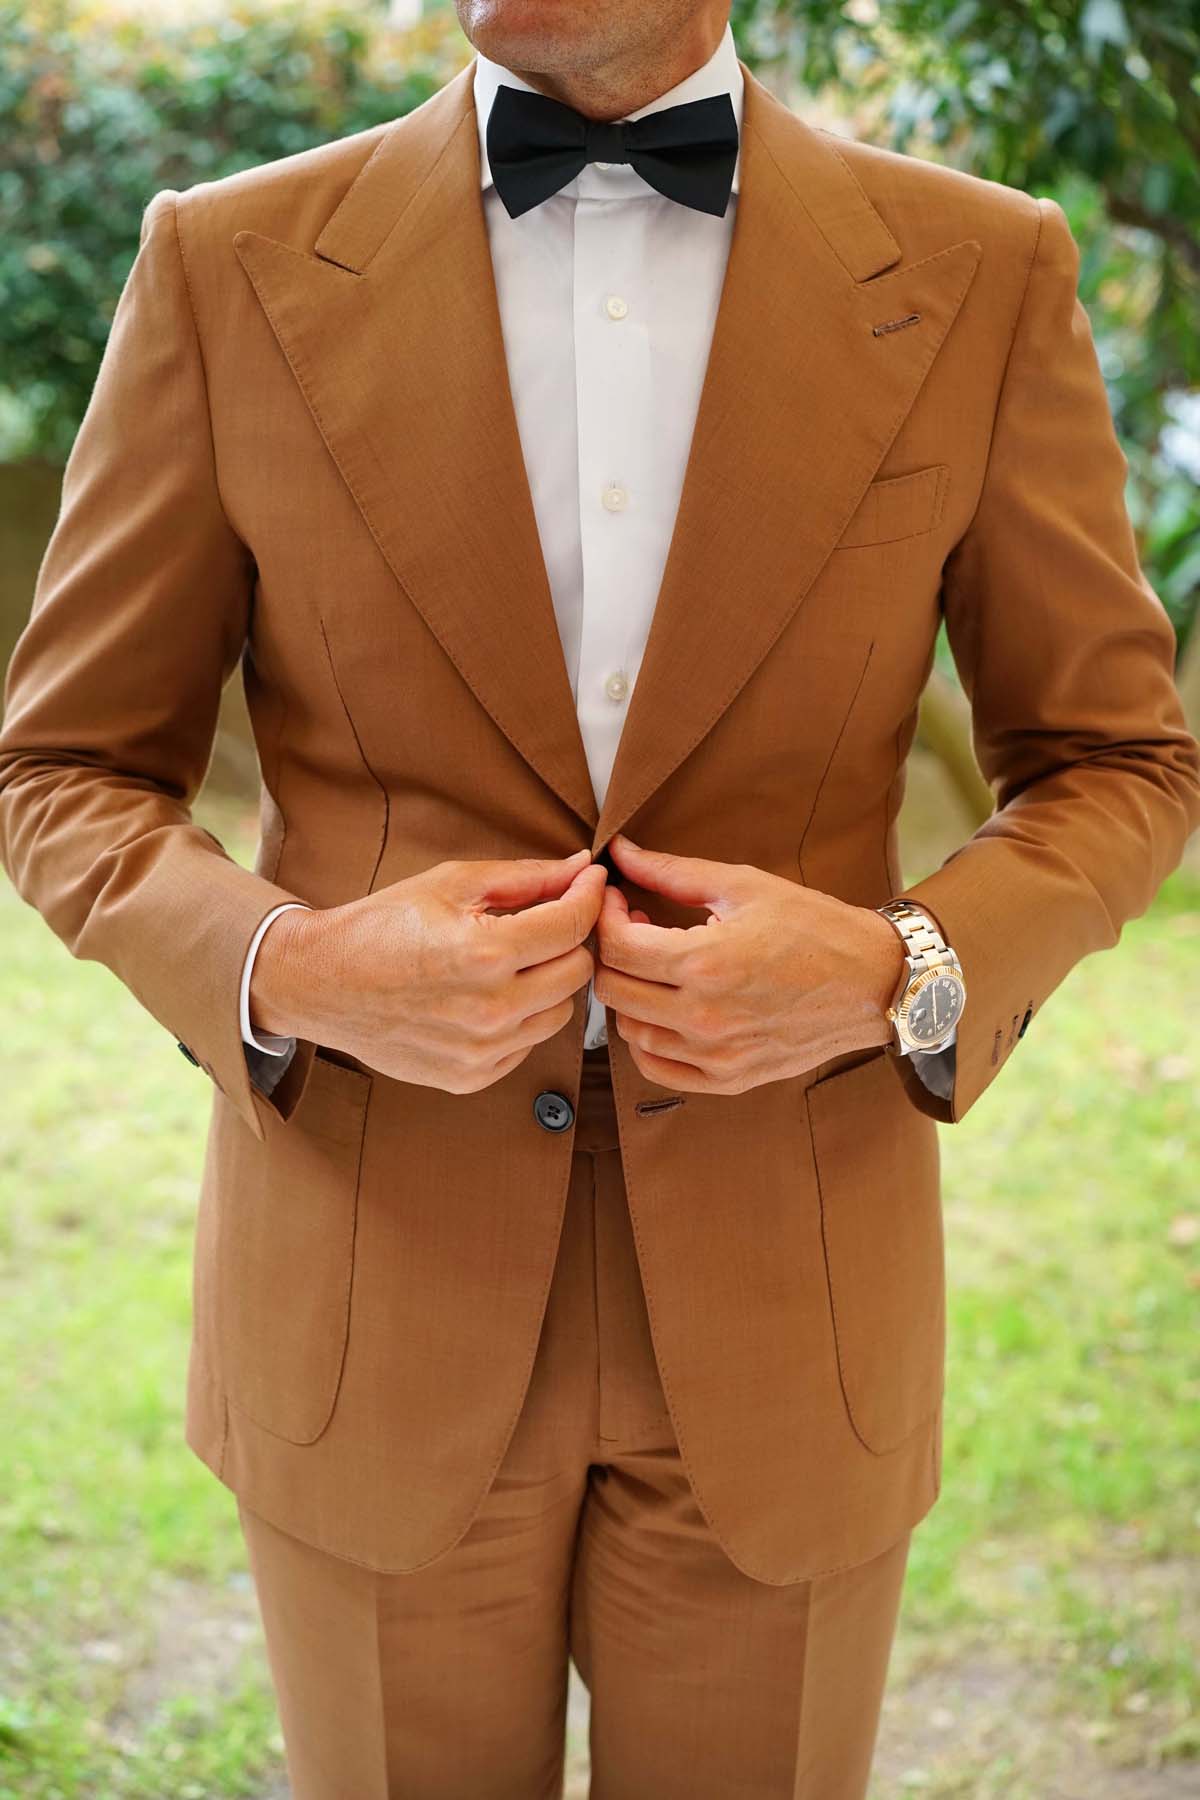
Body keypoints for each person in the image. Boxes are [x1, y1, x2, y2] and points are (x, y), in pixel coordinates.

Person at [2, 0, 1197, 1793]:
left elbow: (1123, 760)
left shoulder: (980, 269)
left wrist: (905, 970)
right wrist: (291, 966)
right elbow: (63, 767)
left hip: (795, 1300)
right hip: (366, 1292)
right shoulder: (223, 261)